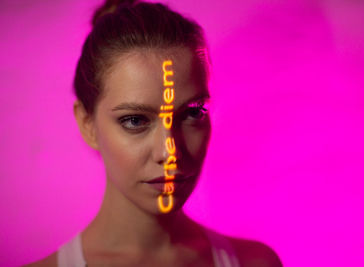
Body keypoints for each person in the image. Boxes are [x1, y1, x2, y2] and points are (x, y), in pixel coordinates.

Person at [27, 0, 282, 266]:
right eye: (135, 120)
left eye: (192, 113)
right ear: (87, 123)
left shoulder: (255, 262)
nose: (169, 151)